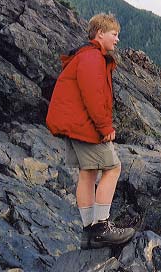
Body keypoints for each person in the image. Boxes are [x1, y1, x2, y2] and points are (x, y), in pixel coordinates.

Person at [46, 13, 135, 249]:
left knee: (88, 173)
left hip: (75, 126)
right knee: (113, 168)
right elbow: (93, 95)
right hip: (85, 126)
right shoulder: (92, 58)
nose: (117, 40)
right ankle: (102, 227)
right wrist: (105, 127)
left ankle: (89, 233)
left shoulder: (85, 56)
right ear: (100, 34)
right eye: (114, 35)